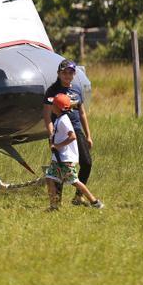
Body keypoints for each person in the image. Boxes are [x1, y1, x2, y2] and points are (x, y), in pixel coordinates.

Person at [43, 59, 94, 205]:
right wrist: (52, 135)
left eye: (70, 73)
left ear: (74, 74)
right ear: (59, 73)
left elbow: (82, 113)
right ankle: (56, 202)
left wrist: (88, 135)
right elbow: (47, 116)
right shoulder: (52, 91)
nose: (67, 75)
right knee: (60, 166)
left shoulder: (77, 89)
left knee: (86, 162)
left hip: (76, 130)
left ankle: (79, 196)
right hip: (60, 132)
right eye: (64, 73)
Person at [44, 93, 104, 211]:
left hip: (65, 159)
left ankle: (94, 201)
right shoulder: (59, 119)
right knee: (49, 178)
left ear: (58, 107)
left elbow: (72, 136)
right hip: (59, 158)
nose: (51, 106)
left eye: (54, 104)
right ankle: (53, 206)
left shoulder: (63, 120)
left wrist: (57, 145)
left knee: (74, 181)